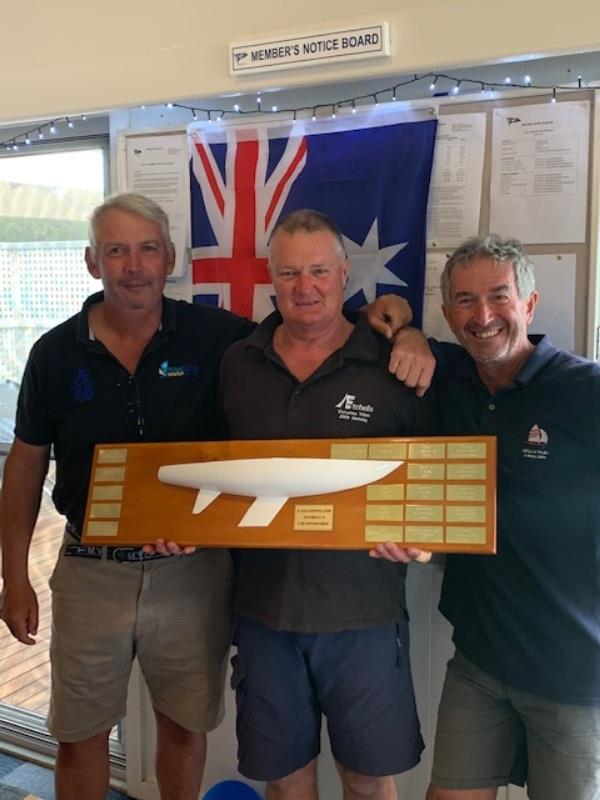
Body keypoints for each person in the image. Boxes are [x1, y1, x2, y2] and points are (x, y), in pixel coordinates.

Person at [0, 193, 255, 800]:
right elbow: (26, 467)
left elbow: (311, 334)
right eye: (116, 250)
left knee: (184, 728)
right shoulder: (53, 354)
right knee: (79, 736)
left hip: (192, 573)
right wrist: (13, 577)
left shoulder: (222, 339)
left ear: (170, 259)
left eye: (146, 249)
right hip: (91, 573)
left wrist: (398, 323)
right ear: (92, 262)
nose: (133, 265)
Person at [218, 209, 437, 800]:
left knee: (368, 782)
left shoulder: (397, 362)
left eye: (318, 270)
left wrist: (422, 536)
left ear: (345, 275)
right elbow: (213, 472)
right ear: (271, 278)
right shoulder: (239, 361)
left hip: (363, 615)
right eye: (289, 273)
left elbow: (435, 478)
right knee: (287, 783)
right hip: (263, 613)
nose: (304, 287)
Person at [373, 235, 600, 800]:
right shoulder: (448, 376)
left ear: (528, 303)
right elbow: (383, 314)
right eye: (466, 302)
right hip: (479, 657)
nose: (483, 316)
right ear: (449, 315)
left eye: (499, 297)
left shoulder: (586, 391)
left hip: (573, 670)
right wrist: (407, 331)